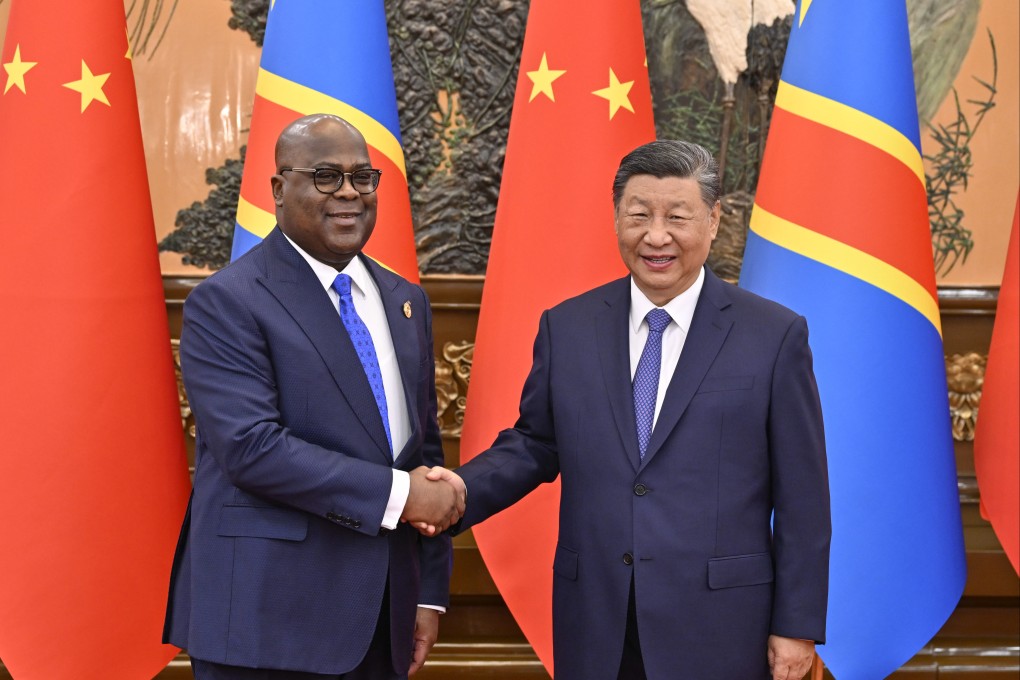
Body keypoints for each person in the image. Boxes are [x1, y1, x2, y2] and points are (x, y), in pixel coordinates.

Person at [428, 140, 831, 679]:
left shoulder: (774, 336)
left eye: (677, 217)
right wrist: (458, 491)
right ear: (617, 216)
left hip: (723, 626)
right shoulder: (568, 327)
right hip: (598, 620)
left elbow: (803, 497)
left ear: (713, 221)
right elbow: (535, 443)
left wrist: (796, 626)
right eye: (638, 215)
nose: (656, 236)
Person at [163, 114, 464, 680]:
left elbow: (422, 453)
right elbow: (252, 448)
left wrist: (427, 593)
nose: (349, 192)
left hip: (384, 619)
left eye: (362, 177)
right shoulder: (227, 302)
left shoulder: (405, 301)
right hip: (268, 625)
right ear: (279, 190)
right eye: (325, 176)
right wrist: (402, 496)